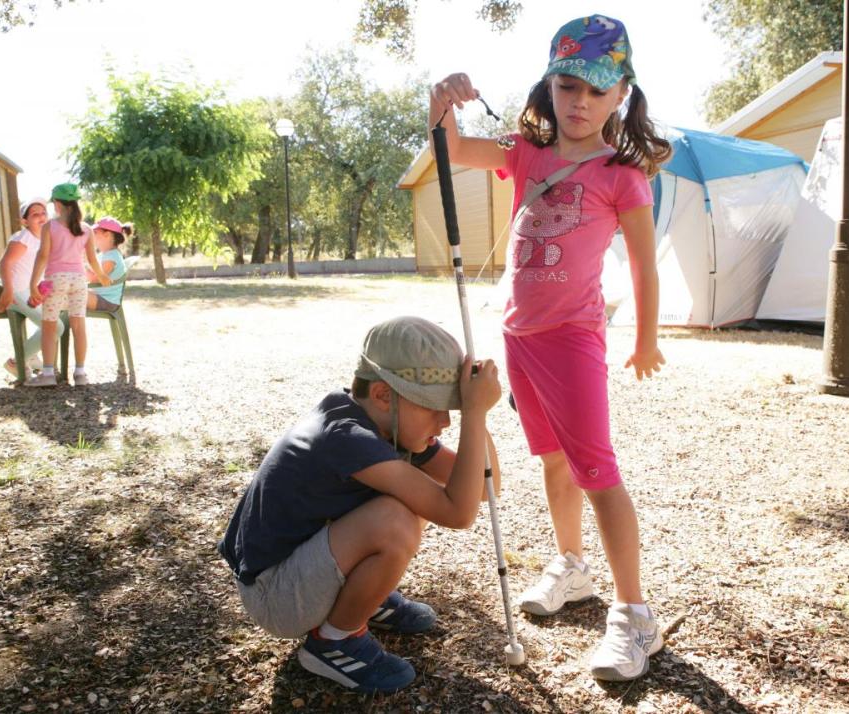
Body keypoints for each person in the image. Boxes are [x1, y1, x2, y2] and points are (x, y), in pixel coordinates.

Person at [429, 14, 671, 682]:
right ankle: (572, 567)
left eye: (597, 90)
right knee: (554, 461)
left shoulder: (622, 175)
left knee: (597, 470)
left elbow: (647, 267)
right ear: (551, 84)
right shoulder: (526, 152)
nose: (580, 101)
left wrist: (646, 339)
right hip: (519, 337)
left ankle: (634, 614)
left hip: (572, 339)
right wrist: (440, 103)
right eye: (569, 85)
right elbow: (453, 150)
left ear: (621, 94)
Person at [218, 316, 502, 694]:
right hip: (276, 596)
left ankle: (363, 600)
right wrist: (475, 412)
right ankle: (334, 642)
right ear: (385, 395)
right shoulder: (348, 437)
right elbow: (459, 512)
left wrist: (475, 413)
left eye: (453, 408)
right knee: (395, 519)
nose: (446, 421)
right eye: (435, 406)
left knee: (411, 501)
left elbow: (485, 487)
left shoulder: (384, 419)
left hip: (298, 569)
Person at [24, 183, 110, 388]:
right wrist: (101, 276)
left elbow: (43, 256)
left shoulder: (50, 227)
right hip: (79, 280)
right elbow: (92, 259)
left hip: (56, 280)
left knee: (49, 325)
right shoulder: (86, 229)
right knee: (79, 326)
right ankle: (80, 373)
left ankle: (47, 374)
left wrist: (33, 283)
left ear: (57, 203)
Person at [0, 197, 66, 378]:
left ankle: (32, 355)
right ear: (25, 221)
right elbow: (5, 264)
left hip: (32, 290)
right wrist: (8, 290)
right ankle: (16, 362)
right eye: (35, 214)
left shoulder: (44, 238)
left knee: (56, 317)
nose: (41, 217)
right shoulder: (23, 238)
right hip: (18, 292)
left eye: (44, 213)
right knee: (55, 327)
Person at [85, 217, 131, 312]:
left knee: (71, 295)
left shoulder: (112, 257)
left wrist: (80, 266)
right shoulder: (105, 255)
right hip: (99, 297)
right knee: (67, 292)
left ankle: (61, 325)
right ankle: (63, 324)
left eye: (95, 233)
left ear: (107, 235)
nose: (92, 237)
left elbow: (94, 279)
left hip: (107, 301)